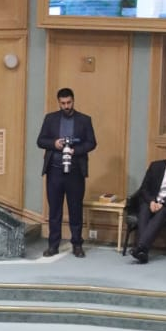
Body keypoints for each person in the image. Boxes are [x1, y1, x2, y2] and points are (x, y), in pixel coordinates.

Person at [37, 87, 97, 258]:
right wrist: (54, 144)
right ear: (58, 102)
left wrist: (75, 151)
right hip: (54, 171)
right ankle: (53, 245)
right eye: (63, 103)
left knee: (75, 209)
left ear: (73, 101)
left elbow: (92, 143)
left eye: (69, 102)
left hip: (75, 172)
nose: (66, 106)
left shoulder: (84, 120)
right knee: (54, 210)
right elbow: (40, 141)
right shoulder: (50, 119)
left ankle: (77, 245)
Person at [129, 144, 166, 265]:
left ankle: (140, 247)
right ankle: (143, 252)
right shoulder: (156, 166)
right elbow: (144, 188)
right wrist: (151, 201)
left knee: (162, 212)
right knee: (144, 209)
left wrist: (163, 203)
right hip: (152, 201)